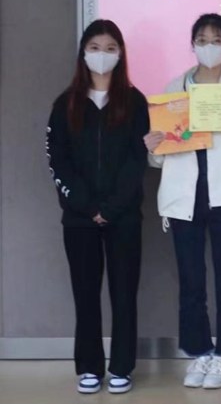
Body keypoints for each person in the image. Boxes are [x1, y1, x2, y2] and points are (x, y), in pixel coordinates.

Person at [143, 13, 221, 390]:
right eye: (202, 40)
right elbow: (159, 158)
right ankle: (198, 351)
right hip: (184, 197)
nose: (209, 46)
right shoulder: (174, 88)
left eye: (217, 40)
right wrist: (152, 146)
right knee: (190, 280)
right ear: (193, 44)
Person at [47, 20, 149, 395]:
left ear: (120, 54)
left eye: (109, 48)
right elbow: (58, 161)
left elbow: (138, 159)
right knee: (85, 294)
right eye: (94, 47)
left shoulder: (135, 102)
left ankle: (122, 366)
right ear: (83, 52)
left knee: (124, 294)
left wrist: (113, 206)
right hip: (79, 218)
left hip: (125, 216)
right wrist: (88, 206)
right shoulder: (66, 103)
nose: (101, 55)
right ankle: (89, 366)